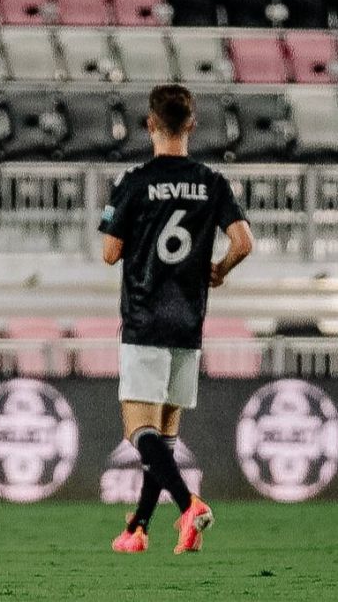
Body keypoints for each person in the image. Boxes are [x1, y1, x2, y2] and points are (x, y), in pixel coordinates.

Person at [99, 84, 254, 554]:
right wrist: (219, 270)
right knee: (164, 438)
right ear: (191, 125)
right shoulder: (212, 182)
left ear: (149, 124)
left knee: (138, 431)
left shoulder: (134, 180)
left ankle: (190, 505)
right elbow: (243, 241)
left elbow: (110, 253)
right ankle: (138, 529)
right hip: (188, 322)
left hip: (145, 319)